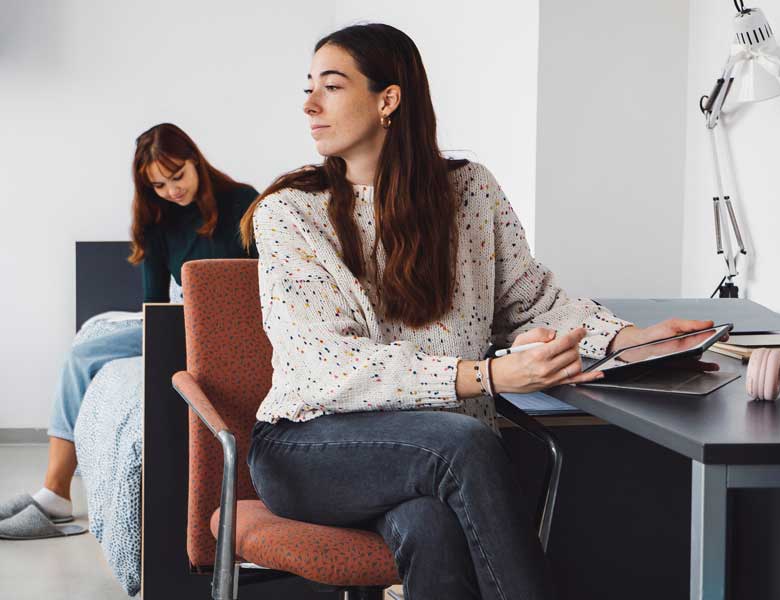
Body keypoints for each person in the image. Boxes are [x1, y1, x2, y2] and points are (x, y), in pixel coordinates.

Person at [240, 24, 719, 599]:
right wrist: (486, 377)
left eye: (332, 86)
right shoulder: (291, 213)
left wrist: (630, 339)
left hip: (437, 455)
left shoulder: (468, 192)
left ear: (387, 99)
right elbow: (325, 366)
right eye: (309, 87)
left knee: (429, 526)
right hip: (311, 448)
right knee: (462, 441)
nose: (309, 103)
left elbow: (533, 300)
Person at [0, 123, 258, 537]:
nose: (172, 190)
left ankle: (55, 497)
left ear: (196, 162)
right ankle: (56, 492)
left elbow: (266, 279)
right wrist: (160, 335)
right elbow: (154, 305)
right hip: (179, 321)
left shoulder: (242, 201)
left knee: (91, 353)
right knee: (83, 354)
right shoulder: (156, 223)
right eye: (159, 184)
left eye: (177, 177)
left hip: (233, 324)